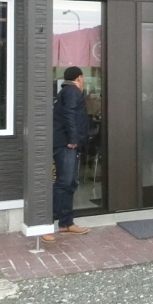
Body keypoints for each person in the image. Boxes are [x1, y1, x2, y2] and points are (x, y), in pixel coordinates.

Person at [46, 66, 90, 242]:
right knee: (64, 183)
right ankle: (46, 224)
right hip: (66, 144)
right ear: (79, 78)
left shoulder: (65, 92)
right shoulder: (72, 91)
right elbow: (69, 114)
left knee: (70, 183)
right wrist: (73, 138)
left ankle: (66, 223)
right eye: (83, 78)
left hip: (67, 144)